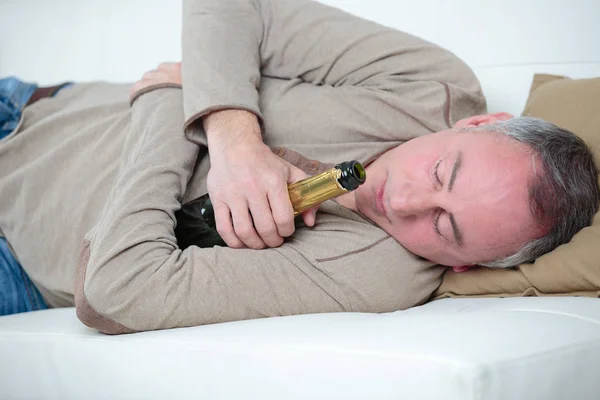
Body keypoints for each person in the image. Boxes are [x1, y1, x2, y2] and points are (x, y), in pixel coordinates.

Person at [0, 0, 597, 333]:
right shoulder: (431, 86)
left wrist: (172, 104)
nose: (407, 202)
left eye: (444, 228)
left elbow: (116, 289)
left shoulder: (377, 277)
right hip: (30, 109)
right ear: (477, 124)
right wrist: (234, 138)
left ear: (462, 264)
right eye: (441, 173)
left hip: (16, 257)